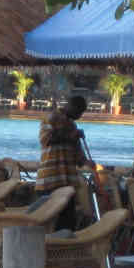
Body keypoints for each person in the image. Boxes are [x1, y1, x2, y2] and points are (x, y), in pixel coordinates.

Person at [38, 96, 89, 231]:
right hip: (50, 179)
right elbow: (46, 140)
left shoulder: (72, 125)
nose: (80, 116)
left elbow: (77, 155)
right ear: (71, 106)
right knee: (48, 224)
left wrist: (86, 161)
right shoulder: (51, 117)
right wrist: (71, 135)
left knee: (67, 226)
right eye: (79, 112)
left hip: (67, 183)